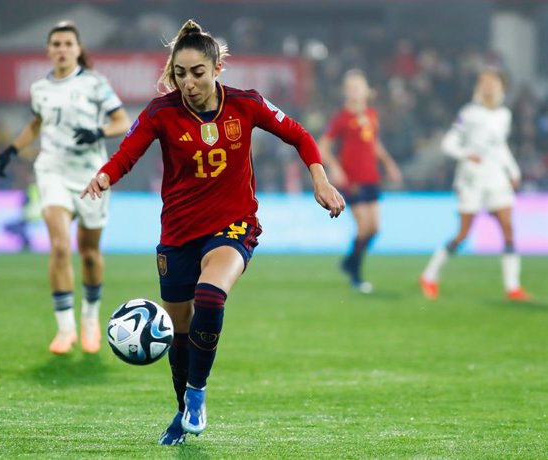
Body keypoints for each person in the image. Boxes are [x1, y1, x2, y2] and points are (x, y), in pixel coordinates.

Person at [82, 19, 345, 445]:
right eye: (181, 73)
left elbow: (299, 135)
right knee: (179, 335)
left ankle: (198, 395)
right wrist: (105, 176)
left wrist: (320, 179)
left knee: (210, 294)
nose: (189, 82)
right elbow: (128, 152)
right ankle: (182, 409)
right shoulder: (161, 112)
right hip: (178, 235)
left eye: (198, 73)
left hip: (233, 225)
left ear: (217, 68)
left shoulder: (246, 104)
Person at [0, 21, 131, 354]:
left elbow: (122, 121)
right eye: (55, 43)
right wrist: (12, 150)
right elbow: (37, 123)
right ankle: (65, 328)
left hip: (89, 176)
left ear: (78, 49)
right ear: (49, 50)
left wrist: (99, 133)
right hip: (52, 171)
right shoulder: (40, 88)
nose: (61, 49)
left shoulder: (96, 84)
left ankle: (90, 319)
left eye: (67, 43)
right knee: (58, 247)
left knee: (90, 254)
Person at [420, 67, 532, 301]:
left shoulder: (504, 115)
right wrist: (465, 154)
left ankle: (513, 287)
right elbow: (448, 142)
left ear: (500, 87)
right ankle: (429, 276)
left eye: (492, 82)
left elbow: (500, 147)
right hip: (472, 178)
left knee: (508, 230)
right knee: (463, 234)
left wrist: (513, 170)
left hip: (496, 178)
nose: (488, 86)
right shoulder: (468, 113)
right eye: (484, 82)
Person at [317, 69, 402, 293]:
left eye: (358, 86)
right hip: (352, 180)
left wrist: (389, 163)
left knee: (374, 229)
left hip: (371, 177)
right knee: (364, 227)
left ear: (367, 91)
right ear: (346, 92)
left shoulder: (372, 115)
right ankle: (356, 273)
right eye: (351, 87)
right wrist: (335, 168)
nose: (355, 91)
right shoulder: (342, 118)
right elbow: (322, 146)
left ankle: (350, 261)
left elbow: (374, 144)